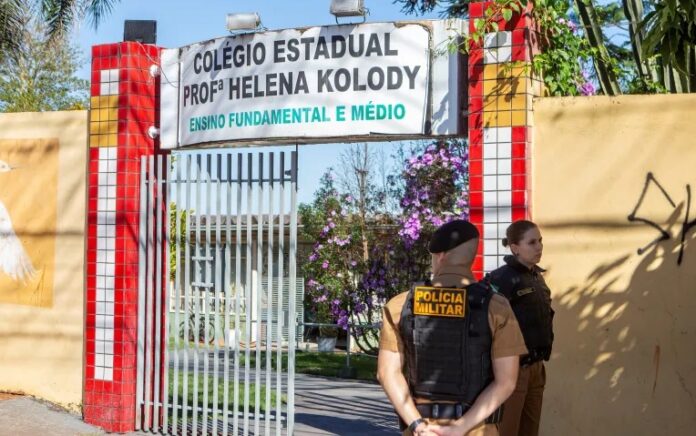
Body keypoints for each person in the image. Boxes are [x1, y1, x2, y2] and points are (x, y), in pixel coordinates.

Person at [377, 220, 528, 436]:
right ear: (472, 257)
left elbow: (386, 373)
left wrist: (418, 426)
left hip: (421, 429)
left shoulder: (401, 305)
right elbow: (506, 382)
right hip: (476, 429)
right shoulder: (496, 307)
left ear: (440, 256)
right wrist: (460, 427)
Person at [485, 220, 554, 436]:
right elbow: (487, 324)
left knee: (529, 432)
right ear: (515, 248)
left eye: (540, 241)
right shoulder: (501, 279)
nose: (539, 247)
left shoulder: (536, 276)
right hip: (513, 370)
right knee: (507, 432)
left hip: (536, 367)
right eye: (532, 242)